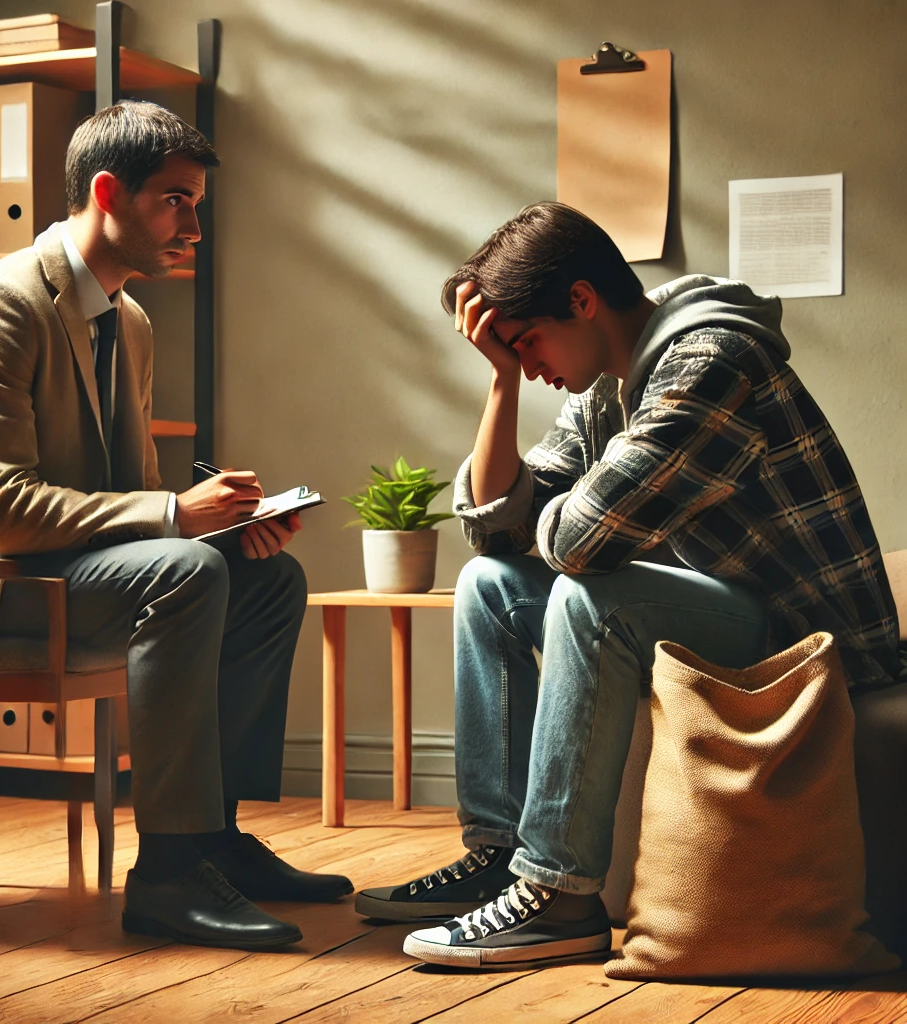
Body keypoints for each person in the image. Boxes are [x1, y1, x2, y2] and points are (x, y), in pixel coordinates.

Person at [355, 201, 901, 970]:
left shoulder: (711, 361)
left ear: (581, 301)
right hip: (725, 615)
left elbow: (578, 542)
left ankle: (560, 897)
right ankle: (499, 855)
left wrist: (552, 518)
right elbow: (492, 532)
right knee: (488, 584)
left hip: (804, 640)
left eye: (527, 343)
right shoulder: (605, 392)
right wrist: (501, 384)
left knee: (589, 596)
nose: (534, 365)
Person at [0, 100, 351, 950]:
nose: (194, 227)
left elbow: (126, 503)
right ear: (108, 193)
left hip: (59, 572)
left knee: (263, 577)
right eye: (177, 201)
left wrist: (218, 529)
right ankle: (168, 873)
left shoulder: (128, 323)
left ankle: (212, 837)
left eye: (195, 205)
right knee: (186, 570)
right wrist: (176, 517)